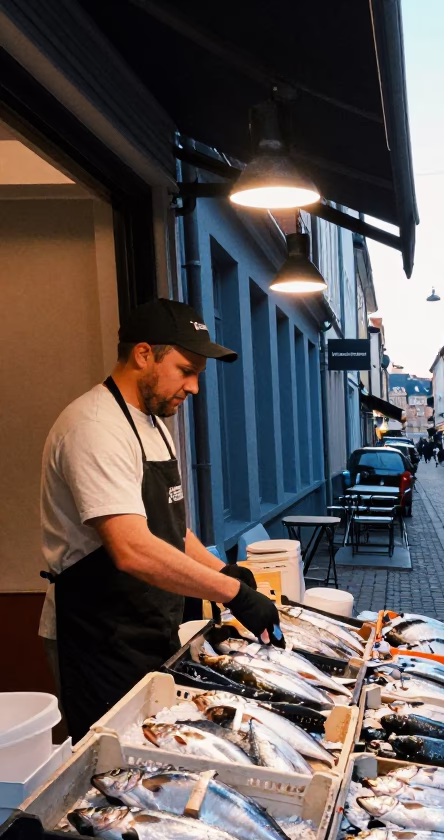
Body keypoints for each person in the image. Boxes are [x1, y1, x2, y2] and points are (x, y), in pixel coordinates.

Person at [40, 298, 284, 742]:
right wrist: (233, 594)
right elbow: (132, 549)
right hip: (97, 635)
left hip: (148, 623)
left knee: (161, 745)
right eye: (185, 370)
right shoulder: (94, 426)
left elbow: (170, 532)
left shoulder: (153, 425)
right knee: (119, 763)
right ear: (144, 354)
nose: (193, 387)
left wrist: (224, 571)